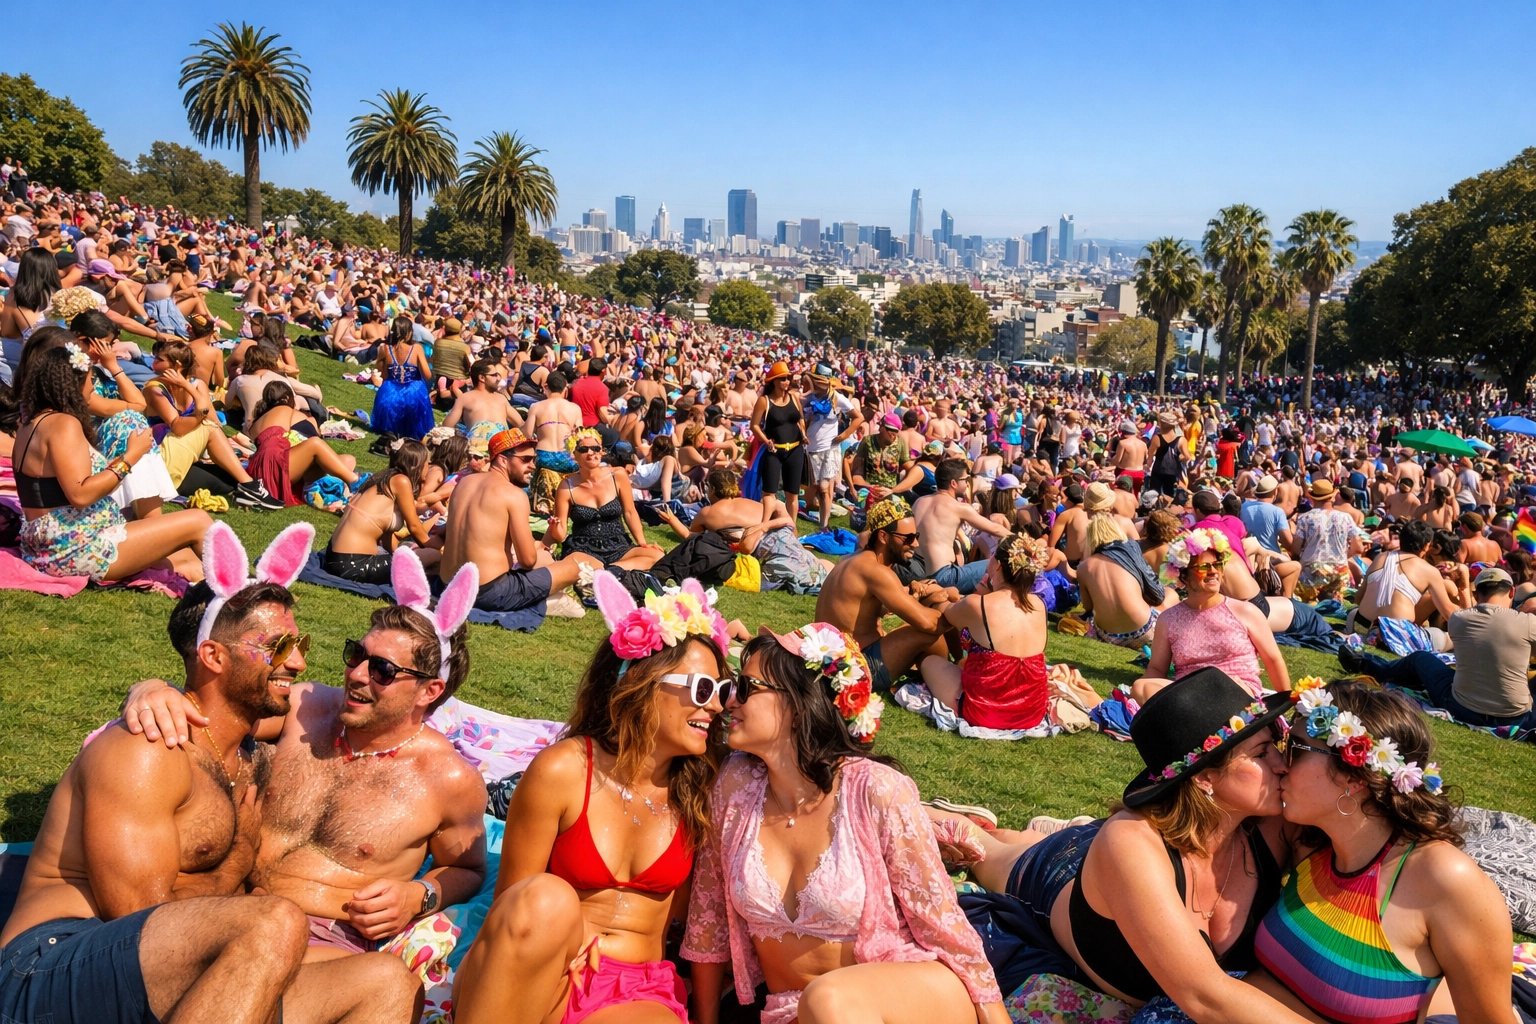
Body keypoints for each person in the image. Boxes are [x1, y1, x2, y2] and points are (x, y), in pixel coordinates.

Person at [0, 526, 416, 1024]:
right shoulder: (148, 750)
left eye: (298, 643)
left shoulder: (247, 750)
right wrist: (234, 868)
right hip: (53, 965)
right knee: (275, 921)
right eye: (279, 647)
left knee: (386, 982)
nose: (300, 662)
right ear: (214, 656)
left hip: (169, 969)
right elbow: (138, 916)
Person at [126, 547, 489, 966]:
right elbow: (212, 714)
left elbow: (470, 869)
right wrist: (154, 688)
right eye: (357, 655)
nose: (355, 674)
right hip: (227, 902)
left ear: (429, 692)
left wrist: (419, 896)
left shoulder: (450, 781)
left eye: (382, 671)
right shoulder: (306, 708)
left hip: (322, 941)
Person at [685, 623, 1007, 1024]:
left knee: (828, 1001)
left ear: (799, 704)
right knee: (823, 1005)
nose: (729, 700)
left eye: (746, 688)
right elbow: (707, 920)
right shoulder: (734, 786)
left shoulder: (876, 789)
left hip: (905, 999)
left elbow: (943, 924)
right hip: (794, 1011)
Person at [945, 668, 1308, 1019]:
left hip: (1122, 856)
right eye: (1262, 754)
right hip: (1058, 872)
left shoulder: (1273, 827)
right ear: (1206, 776)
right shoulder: (1131, 841)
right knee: (985, 850)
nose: (1282, 765)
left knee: (1026, 840)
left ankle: (1050, 830)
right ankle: (943, 816)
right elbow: (1204, 996)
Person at [450, 574, 732, 1024]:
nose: (716, 707)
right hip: (545, 971)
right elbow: (512, 909)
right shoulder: (564, 770)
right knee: (544, 896)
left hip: (637, 991)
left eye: (722, 692)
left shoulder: (703, 792)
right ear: (645, 682)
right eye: (702, 690)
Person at [1249, 679, 1513, 1022]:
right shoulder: (1310, 841)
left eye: (1296, 749)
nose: (1281, 764)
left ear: (1354, 777)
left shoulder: (1442, 880)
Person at [13, 340, 211, 582]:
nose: (92, 388)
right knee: (198, 520)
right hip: (73, 545)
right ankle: (240, 595)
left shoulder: (32, 422)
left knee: (186, 559)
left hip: (51, 543)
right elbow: (81, 495)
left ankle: (233, 590)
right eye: (89, 380)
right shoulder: (63, 424)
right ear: (73, 385)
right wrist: (130, 457)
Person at [1344, 566, 1536, 731]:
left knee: (1420, 658)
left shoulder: (1460, 619)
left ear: (1477, 594)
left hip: (1462, 707)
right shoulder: (1528, 623)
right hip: (1516, 717)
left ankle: (1366, 664)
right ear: (1511, 592)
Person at [439, 428, 593, 619]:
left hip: (450, 586)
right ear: (503, 460)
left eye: (534, 459)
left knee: (544, 558)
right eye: (525, 460)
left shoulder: (464, 483)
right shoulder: (513, 494)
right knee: (575, 566)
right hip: (488, 593)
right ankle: (545, 602)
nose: (533, 466)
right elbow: (528, 561)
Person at [815, 497, 955, 694]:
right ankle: (950, 681)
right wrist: (956, 612)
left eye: (916, 536)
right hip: (855, 668)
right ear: (883, 537)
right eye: (908, 538)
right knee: (929, 633)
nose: (915, 544)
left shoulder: (852, 560)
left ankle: (939, 672)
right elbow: (928, 624)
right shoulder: (876, 572)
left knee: (922, 619)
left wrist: (915, 594)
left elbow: (869, 608)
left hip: (832, 661)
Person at [1135, 528, 1290, 704]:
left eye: (1217, 565)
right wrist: (1144, 688)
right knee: (1141, 688)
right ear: (1183, 576)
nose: (1213, 571)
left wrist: (1286, 701)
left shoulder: (1245, 611)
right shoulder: (1169, 619)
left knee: (1221, 688)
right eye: (1203, 567)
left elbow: (1273, 659)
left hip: (1236, 691)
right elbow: (1156, 668)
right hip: (1189, 695)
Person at [921, 534, 1052, 731]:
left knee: (928, 661)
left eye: (992, 557)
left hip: (985, 712)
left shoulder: (979, 604)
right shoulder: (1039, 604)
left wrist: (943, 593)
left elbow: (946, 614)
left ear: (998, 565)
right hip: (1032, 712)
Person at [141, 339, 281, 508]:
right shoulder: (154, 389)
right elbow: (178, 426)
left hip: (187, 454)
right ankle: (251, 488)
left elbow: (212, 418)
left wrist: (186, 386)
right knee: (208, 428)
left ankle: (247, 487)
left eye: (159, 360)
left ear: (176, 365)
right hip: (161, 456)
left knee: (229, 481)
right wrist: (201, 414)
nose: (153, 362)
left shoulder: (196, 385)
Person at [546, 426, 665, 571]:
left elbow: (630, 512)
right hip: (584, 549)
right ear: (574, 455)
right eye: (584, 450)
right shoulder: (566, 487)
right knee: (578, 563)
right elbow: (561, 534)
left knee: (657, 556)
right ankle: (611, 570)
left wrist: (642, 543)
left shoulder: (618, 475)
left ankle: (607, 570)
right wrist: (554, 527)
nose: (591, 453)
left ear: (601, 451)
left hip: (619, 545)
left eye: (596, 449)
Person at [324, 439, 438, 582]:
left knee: (418, 559)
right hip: (354, 564)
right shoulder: (401, 481)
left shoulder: (382, 478)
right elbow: (415, 528)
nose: (430, 467)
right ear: (417, 464)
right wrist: (440, 548)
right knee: (435, 556)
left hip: (333, 558)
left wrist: (395, 554)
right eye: (428, 463)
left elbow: (387, 534)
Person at [1079, 510, 1177, 650]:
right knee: (1171, 594)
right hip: (1144, 631)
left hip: (1107, 636)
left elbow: (1088, 607)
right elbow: (1158, 594)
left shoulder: (1083, 567)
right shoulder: (1130, 549)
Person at [1351, 519, 1469, 635]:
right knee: (1439, 636)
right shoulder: (1430, 571)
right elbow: (1448, 613)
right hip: (1396, 634)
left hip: (1361, 626)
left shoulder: (1380, 557)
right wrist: (1466, 593)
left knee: (1352, 614)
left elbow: (1358, 598)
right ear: (1427, 546)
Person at [912, 458, 1011, 594]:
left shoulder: (919, 502)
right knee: (1000, 563)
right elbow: (994, 528)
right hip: (943, 577)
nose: (967, 484)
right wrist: (1020, 540)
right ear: (953, 483)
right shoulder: (958, 507)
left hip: (917, 570)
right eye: (965, 480)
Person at [1288, 479, 1368, 603]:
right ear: (1332, 497)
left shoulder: (1305, 518)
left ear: (1312, 498)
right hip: (1339, 569)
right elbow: (1358, 547)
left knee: (1311, 607)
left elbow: (1296, 549)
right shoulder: (1345, 518)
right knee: (1338, 610)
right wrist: (1342, 556)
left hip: (1312, 570)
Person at [804, 362, 863, 529]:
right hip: (811, 449)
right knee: (815, 486)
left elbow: (858, 418)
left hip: (830, 448)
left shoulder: (837, 397)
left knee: (824, 488)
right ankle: (818, 516)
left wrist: (844, 435)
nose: (815, 383)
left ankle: (824, 525)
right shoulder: (808, 397)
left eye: (818, 381)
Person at [751, 360, 808, 522]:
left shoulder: (794, 398)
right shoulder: (764, 401)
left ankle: (792, 527)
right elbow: (754, 425)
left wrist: (803, 434)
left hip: (795, 449)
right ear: (774, 381)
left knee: (793, 493)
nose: (786, 381)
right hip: (774, 450)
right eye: (782, 378)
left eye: (788, 378)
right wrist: (765, 440)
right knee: (769, 491)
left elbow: (800, 420)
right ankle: (764, 524)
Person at [371, 315, 435, 440]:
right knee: (418, 389)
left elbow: (381, 374)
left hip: (389, 395)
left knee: (387, 387)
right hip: (414, 395)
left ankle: (392, 430)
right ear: (409, 332)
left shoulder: (385, 349)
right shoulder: (416, 348)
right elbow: (427, 375)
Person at [444, 357, 521, 447]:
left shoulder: (501, 399)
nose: (499, 378)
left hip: (501, 452)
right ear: (482, 378)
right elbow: (446, 428)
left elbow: (520, 424)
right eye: (495, 375)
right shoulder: (465, 399)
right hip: (478, 454)